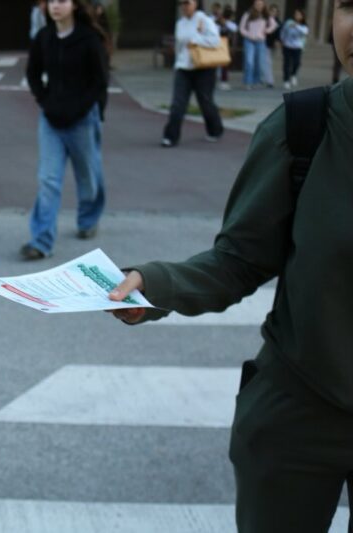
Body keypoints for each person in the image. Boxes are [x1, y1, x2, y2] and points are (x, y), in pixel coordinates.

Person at [109, 1, 353, 530]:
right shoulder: (301, 127)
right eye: (349, 5)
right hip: (298, 411)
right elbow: (239, 260)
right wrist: (155, 284)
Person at [22, 0, 109, 260]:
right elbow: (33, 73)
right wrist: (44, 100)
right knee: (48, 179)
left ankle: (88, 219)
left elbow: (100, 81)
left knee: (89, 179)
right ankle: (41, 241)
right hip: (50, 120)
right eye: (51, 2)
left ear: (74, 5)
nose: (55, 6)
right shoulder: (44, 37)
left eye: (62, 1)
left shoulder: (89, 39)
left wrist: (84, 109)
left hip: (82, 120)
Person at [161, 0, 224, 148]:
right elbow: (179, 46)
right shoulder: (180, 23)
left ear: (196, 3)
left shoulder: (205, 20)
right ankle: (170, 136)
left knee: (205, 101)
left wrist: (196, 38)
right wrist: (177, 63)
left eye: (187, 2)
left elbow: (215, 41)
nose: (184, 6)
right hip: (183, 68)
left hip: (203, 69)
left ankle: (215, 129)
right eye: (181, 3)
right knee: (178, 104)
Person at [239, 0, 278, 90]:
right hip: (249, 41)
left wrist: (266, 31)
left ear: (264, 5)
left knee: (259, 62)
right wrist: (248, 34)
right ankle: (248, 82)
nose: (259, 6)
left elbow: (274, 25)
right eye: (257, 4)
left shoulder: (266, 15)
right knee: (249, 62)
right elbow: (241, 28)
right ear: (254, 5)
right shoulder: (248, 14)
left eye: (261, 4)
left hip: (260, 41)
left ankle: (255, 81)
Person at [280, 9, 309, 90]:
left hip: (297, 47)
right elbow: (283, 31)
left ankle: (293, 74)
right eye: (296, 14)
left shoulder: (304, 26)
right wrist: (282, 40)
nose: (297, 16)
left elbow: (305, 33)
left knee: (297, 63)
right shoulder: (289, 22)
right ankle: (286, 80)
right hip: (287, 46)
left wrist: (296, 26)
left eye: (299, 15)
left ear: (302, 16)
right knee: (287, 64)